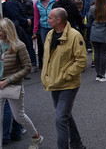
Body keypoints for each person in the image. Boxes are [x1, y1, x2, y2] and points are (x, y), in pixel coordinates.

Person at [41, 8, 87, 149]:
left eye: (49, 18)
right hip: (54, 82)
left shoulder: (74, 36)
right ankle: (77, 143)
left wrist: (65, 75)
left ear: (58, 20)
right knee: (65, 115)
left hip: (68, 84)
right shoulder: (50, 34)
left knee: (60, 118)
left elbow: (81, 61)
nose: (47, 20)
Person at [0, 18, 43, 149]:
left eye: (0, 29)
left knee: (19, 116)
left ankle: (36, 136)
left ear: (7, 30)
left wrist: (9, 80)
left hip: (13, 85)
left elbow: (27, 68)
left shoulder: (19, 46)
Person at [88, 0, 106, 81]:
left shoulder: (92, 9)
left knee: (96, 53)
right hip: (105, 34)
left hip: (95, 33)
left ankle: (98, 73)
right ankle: (102, 74)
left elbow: (89, 21)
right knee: (103, 54)